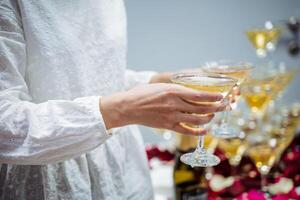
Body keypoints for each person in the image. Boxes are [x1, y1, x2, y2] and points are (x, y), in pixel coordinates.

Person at [0, 1, 225, 199]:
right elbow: (5, 121)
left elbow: (86, 74)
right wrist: (120, 111)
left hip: (127, 171)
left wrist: (152, 81)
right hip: (48, 180)